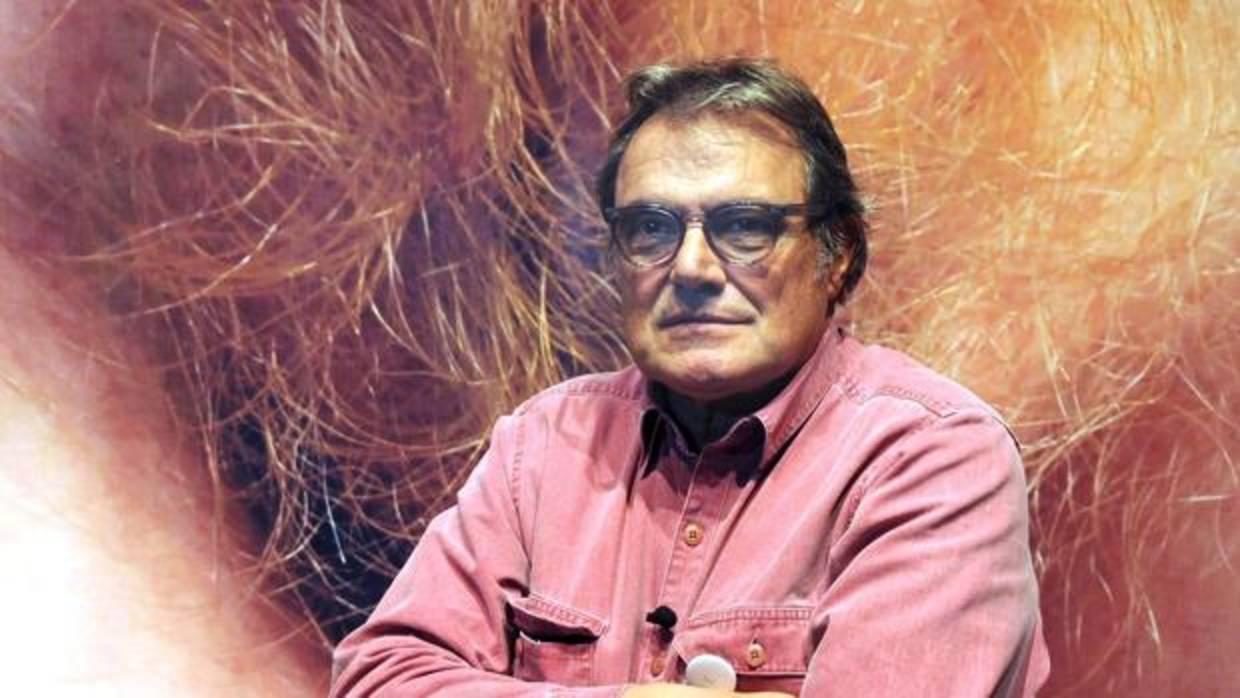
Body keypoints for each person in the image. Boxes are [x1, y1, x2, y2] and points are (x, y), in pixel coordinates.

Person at [330, 58, 1049, 697]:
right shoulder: (543, 444)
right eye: (651, 228)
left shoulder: (932, 458)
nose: (693, 268)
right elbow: (380, 678)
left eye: (745, 227)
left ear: (837, 255)